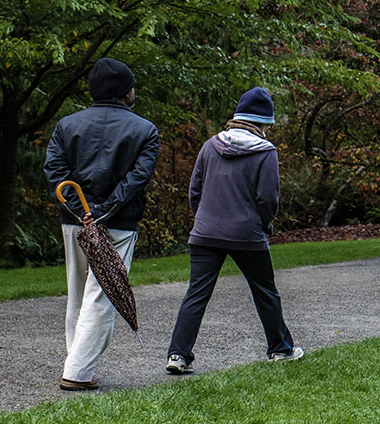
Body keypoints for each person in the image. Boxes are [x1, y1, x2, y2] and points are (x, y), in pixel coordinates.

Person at [166, 87, 303, 374]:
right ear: (263, 123)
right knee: (265, 291)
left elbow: (195, 190)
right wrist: (265, 225)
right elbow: (268, 198)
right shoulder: (266, 153)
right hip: (247, 233)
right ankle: (280, 349)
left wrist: (203, 218)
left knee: (197, 293)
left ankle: (178, 355)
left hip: (205, 233)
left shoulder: (209, 146)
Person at [44, 57, 159, 390]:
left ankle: (77, 361)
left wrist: (84, 212)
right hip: (119, 223)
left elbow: (55, 171)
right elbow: (138, 178)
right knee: (102, 295)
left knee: (77, 294)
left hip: (74, 221)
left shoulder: (67, 125)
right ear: (125, 91)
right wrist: (105, 211)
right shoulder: (145, 130)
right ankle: (77, 372)